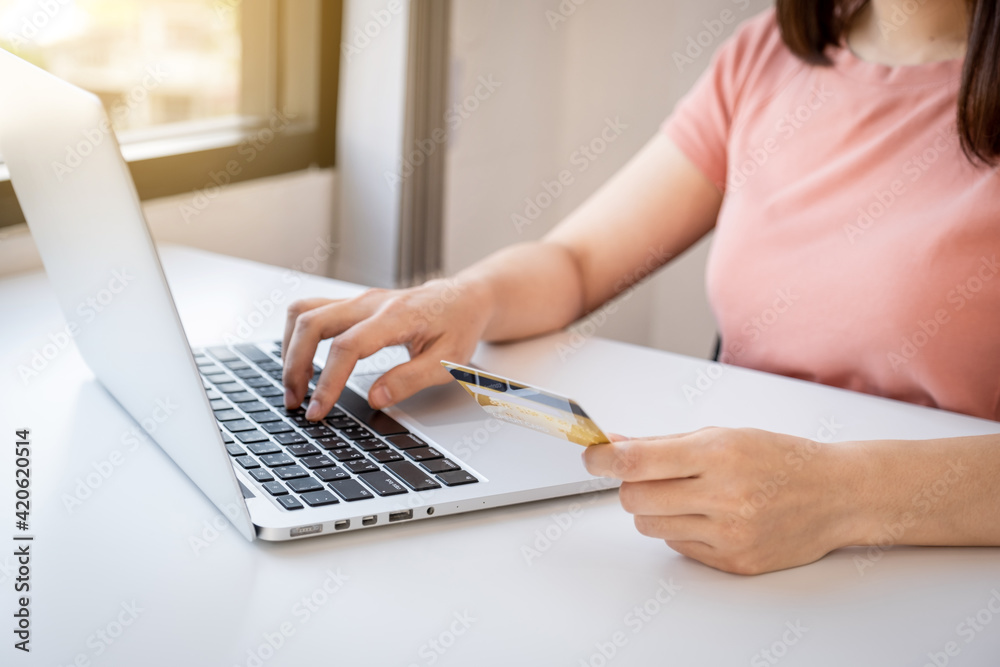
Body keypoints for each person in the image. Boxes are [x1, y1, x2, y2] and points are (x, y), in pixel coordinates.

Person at [281, 0, 1000, 575]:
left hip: (932, 569)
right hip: (720, 546)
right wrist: (464, 296)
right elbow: (578, 261)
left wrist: (842, 495)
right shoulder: (766, 57)